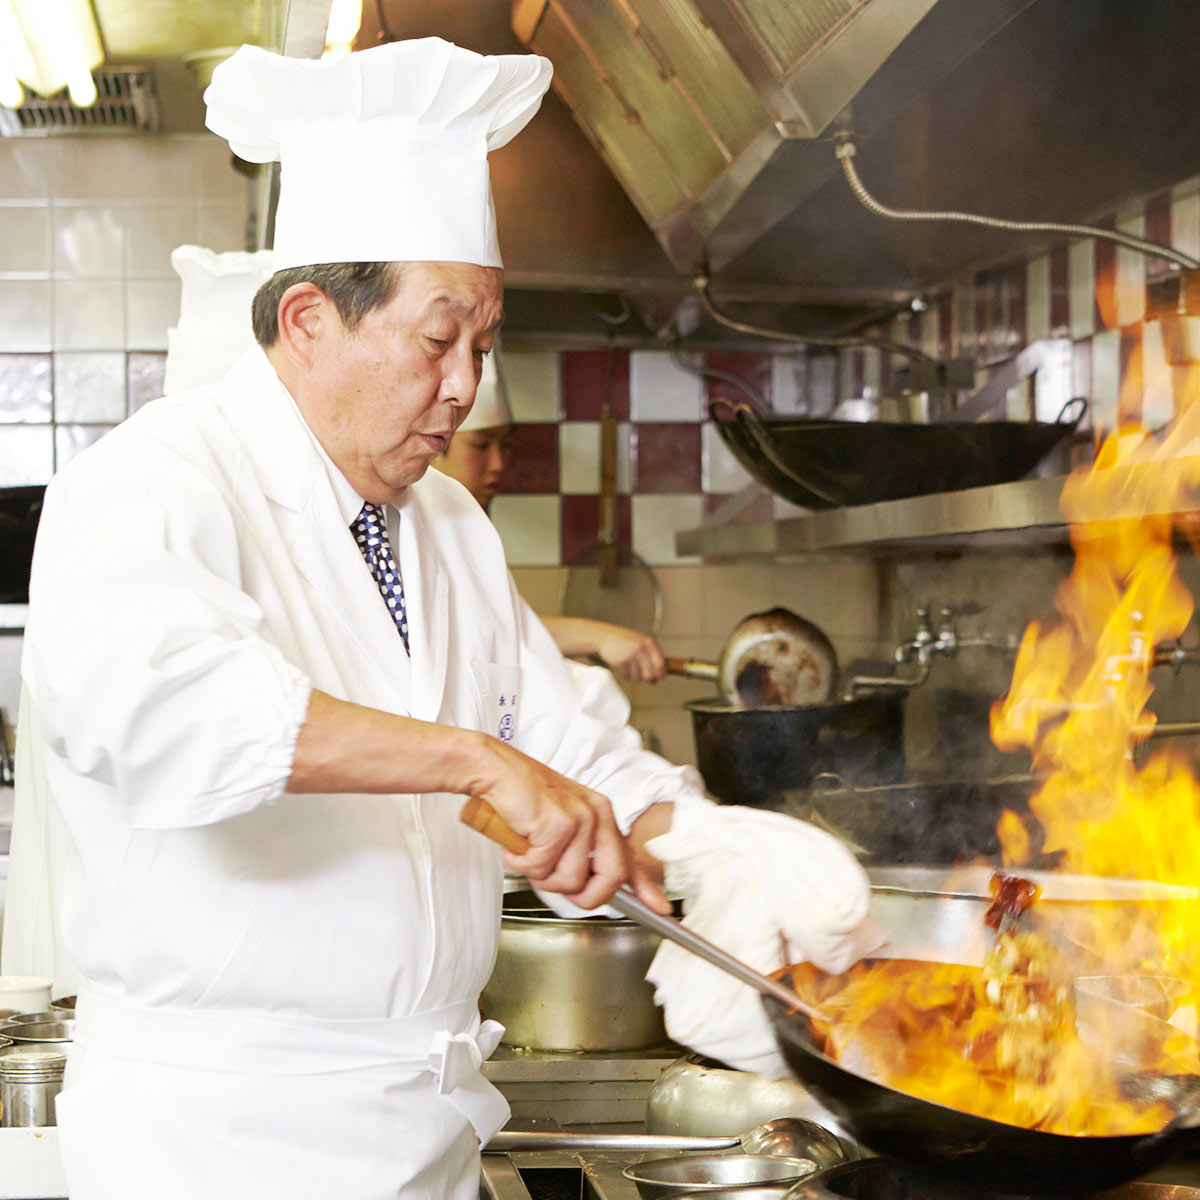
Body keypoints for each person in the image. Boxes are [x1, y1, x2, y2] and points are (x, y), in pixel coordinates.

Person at [14, 37, 880, 1200]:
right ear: (312, 319)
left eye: (484, 342)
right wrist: (474, 760)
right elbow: (172, 713)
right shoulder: (153, 480)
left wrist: (709, 842)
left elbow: (569, 750)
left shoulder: (450, 527)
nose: (469, 384)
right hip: (223, 1147)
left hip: (426, 1137)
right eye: (438, 341)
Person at [435, 350, 667, 683]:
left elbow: (498, 625)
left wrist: (603, 637)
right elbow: (484, 631)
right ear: (438, 443)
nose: (499, 464)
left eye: (506, 446)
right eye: (482, 446)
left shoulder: (469, 526)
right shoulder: (416, 526)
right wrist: (600, 637)